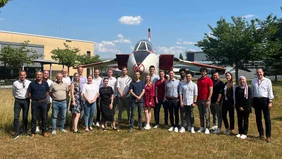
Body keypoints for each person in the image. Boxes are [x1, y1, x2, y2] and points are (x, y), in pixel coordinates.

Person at [252, 68, 274, 143]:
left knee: (267, 119)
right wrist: (252, 101)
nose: (259, 74)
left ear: (263, 73)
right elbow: (252, 91)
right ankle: (261, 133)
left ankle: (268, 136)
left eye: (260, 72)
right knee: (258, 118)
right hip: (256, 100)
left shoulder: (267, 81)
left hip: (265, 100)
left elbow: (270, 91)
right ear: (256, 74)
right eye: (257, 72)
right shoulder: (253, 81)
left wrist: (270, 101)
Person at [28, 71, 50, 137]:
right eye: (37, 75)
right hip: (35, 102)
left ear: (42, 76)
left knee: (44, 117)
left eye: (40, 75)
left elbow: (47, 92)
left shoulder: (45, 83)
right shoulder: (32, 83)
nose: (39, 76)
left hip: (43, 102)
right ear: (35, 75)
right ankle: (33, 132)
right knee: (34, 118)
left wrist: (43, 98)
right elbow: (29, 93)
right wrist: (34, 99)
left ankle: (44, 132)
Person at [12, 70, 31, 139]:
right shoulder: (15, 83)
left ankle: (24, 131)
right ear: (19, 76)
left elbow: (30, 91)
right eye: (21, 75)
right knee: (16, 117)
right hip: (18, 101)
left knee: (25, 117)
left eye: (24, 75)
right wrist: (18, 98)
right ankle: (16, 133)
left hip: (26, 100)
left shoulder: (29, 82)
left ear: (26, 75)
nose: (22, 76)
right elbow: (13, 93)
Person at [197, 67, 213, 134]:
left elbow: (211, 90)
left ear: (206, 72)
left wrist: (208, 99)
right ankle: (202, 126)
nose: (203, 73)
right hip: (199, 100)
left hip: (206, 100)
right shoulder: (199, 80)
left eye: (204, 71)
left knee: (207, 114)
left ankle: (207, 127)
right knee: (201, 114)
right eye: (202, 71)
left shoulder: (209, 80)